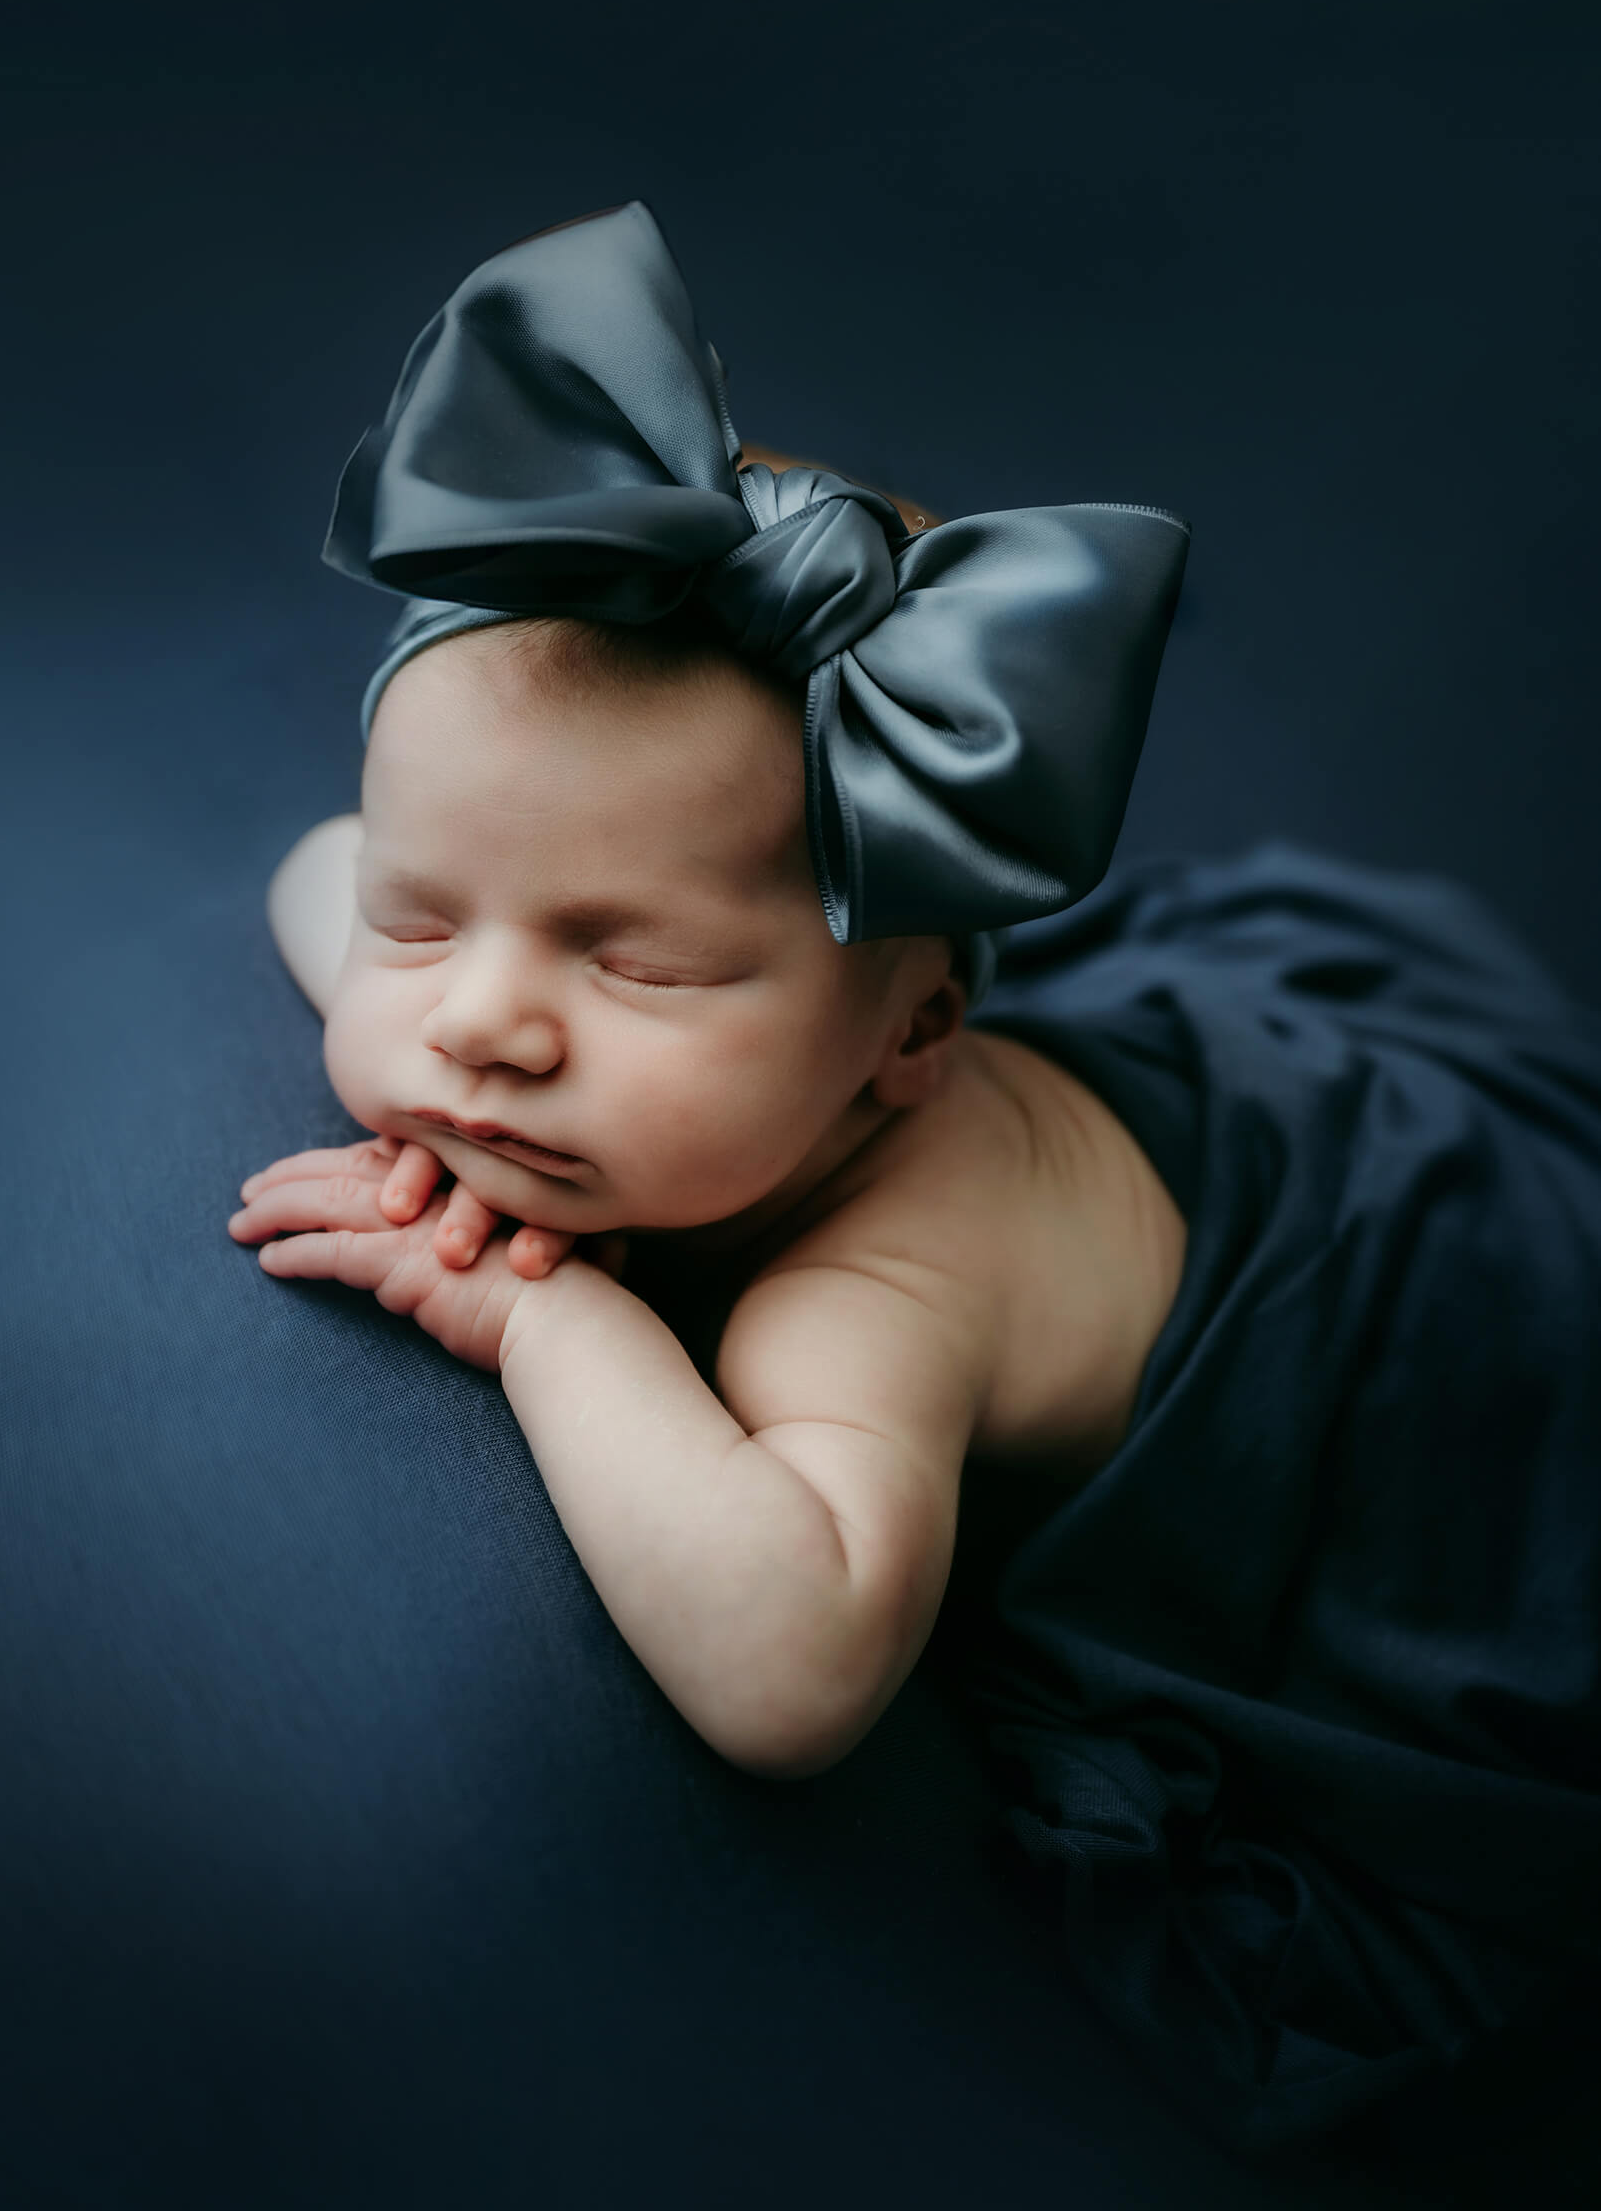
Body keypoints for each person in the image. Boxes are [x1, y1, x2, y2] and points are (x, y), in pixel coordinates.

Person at [227, 201, 1601, 2154]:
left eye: (639, 964)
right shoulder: (511, 989)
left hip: (1428, 1352)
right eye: (424, 921)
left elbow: (789, 1664)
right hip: (1224, 1116)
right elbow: (322, 859)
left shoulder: (870, 1278)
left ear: (908, 1038)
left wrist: (545, 1307)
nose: (483, 1031)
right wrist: (401, 930)